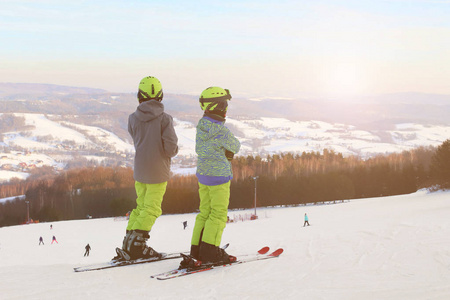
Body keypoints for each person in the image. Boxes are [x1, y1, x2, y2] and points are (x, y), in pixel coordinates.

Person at [116, 76, 178, 261]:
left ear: (140, 96)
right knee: (152, 209)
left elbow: (136, 138)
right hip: (158, 172)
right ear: (160, 95)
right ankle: (137, 247)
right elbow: (171, 148)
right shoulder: (165, 119)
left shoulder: (132, 118)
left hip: (140, 171)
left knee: (141, 207)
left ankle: (128, 243)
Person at [180, 86, 240, 268]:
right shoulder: (221, 131)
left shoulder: (202, 126)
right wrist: (227, 152)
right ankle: (210, 251)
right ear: (219, 106)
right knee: (218, 214)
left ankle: (197, 249)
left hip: (203, 176)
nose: (227, 107)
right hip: (219, 178)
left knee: (204, 212)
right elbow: (235, 146)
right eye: (225, 104)